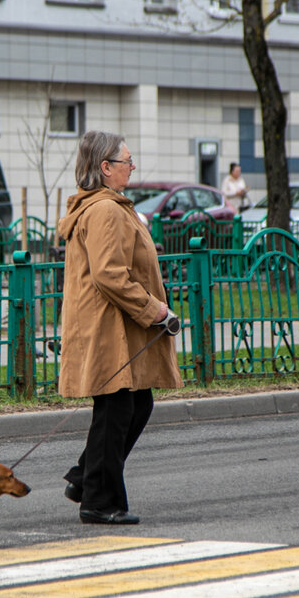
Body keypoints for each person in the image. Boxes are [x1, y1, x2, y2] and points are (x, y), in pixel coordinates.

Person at [57, 131, 183, 525]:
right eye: (127, 161)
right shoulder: (106, 210)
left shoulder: (108, 207)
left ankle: (86, 477)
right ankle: (99, 501)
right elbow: (110, 275)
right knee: (117, 408)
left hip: (113, 325)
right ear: (105, 167)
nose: (133, 167)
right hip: (109, 326)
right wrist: (155, 310)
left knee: (133, 404)